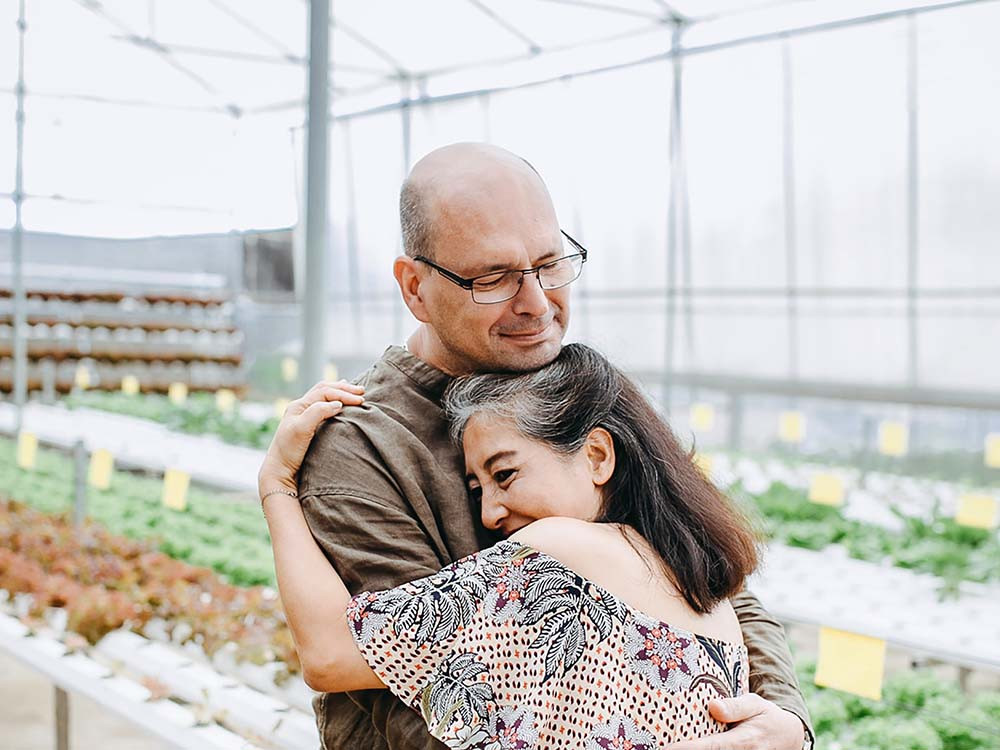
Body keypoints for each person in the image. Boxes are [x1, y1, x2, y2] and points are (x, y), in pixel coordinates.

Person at [266, 143, 813, 749]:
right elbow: (405, 700)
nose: (536, 303)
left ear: (598, 455)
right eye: (493, 279)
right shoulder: (360, 442)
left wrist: (783, 722)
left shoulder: (566, 383)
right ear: (414, 287)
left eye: (551, 264)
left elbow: (706, 567)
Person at [259, 343, 761, 746]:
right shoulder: (715, 606)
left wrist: (277, 484)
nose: (489, 513)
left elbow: (330, 654)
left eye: (505, 473)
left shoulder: (560, 551)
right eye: (477, 489)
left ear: (597, 455)